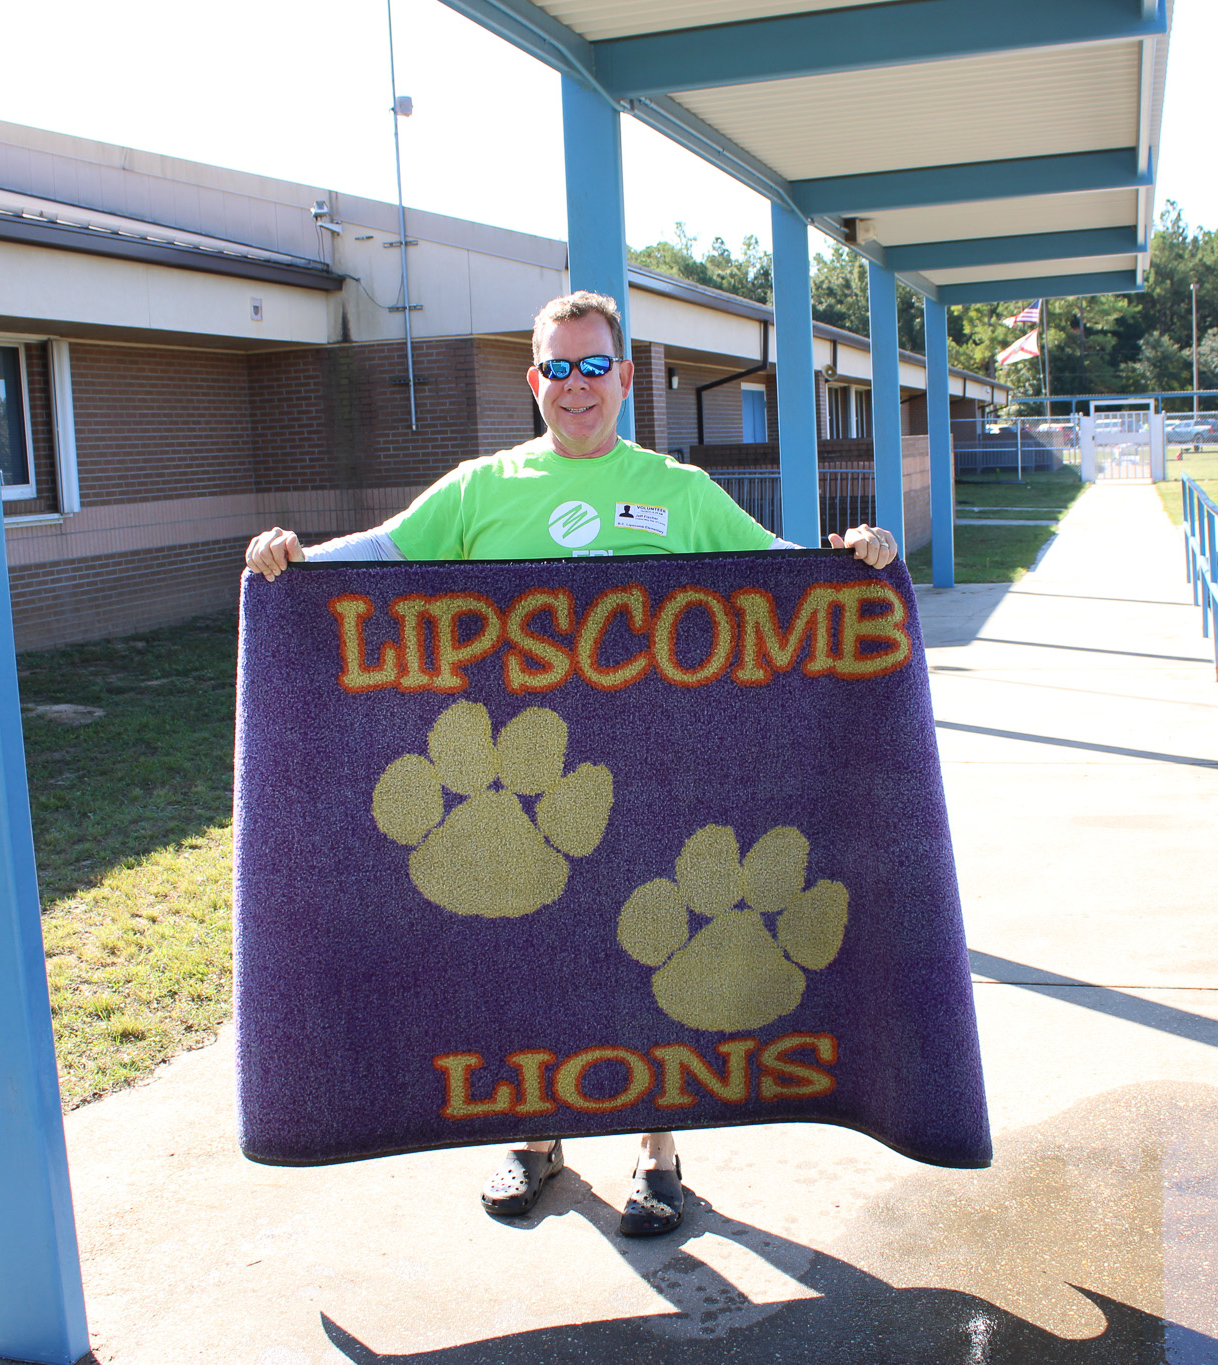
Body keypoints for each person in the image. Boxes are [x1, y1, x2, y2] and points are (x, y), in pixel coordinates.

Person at [246, 290, 897, 1237]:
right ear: (535, 379)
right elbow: (381, 555)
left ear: (625, 378)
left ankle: (657, 1153)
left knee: (645, 957)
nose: (577, 385)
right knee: (529, 962)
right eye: (559, 367)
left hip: (657, 779)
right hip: (520, 787)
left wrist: (855, 559)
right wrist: (295, 559)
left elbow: (783, 575)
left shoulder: (677, 491)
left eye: (595, 366)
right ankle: (533, 1141)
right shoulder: (481, 487)